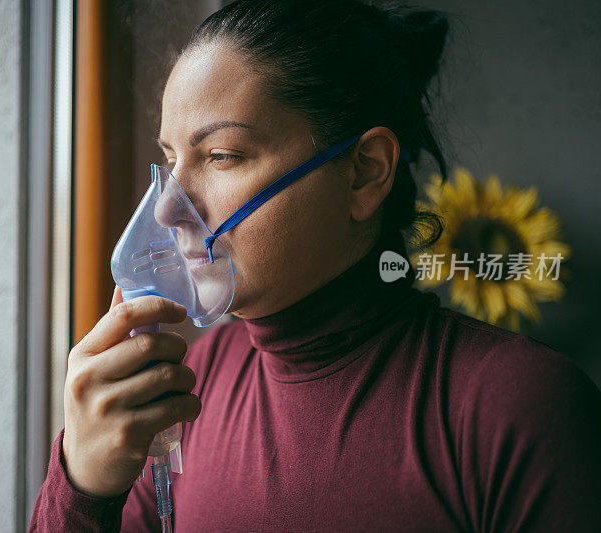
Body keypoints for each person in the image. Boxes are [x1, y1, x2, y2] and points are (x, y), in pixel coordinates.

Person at [29, 0, 601, 531]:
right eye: (172, 160)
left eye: (222, 155)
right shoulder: (187, 389)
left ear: (364, 172)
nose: (166, 208)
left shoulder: (519, 410)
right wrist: (82, 483)